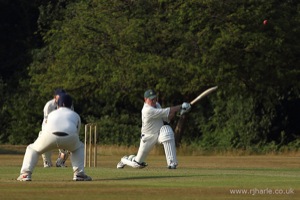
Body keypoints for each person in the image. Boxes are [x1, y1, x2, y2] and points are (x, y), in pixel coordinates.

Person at [17, 93, 92, 181]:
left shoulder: (52, 114)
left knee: (32, 149)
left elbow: (45, 127)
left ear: (60, 104)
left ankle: (25, 174)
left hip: (49, 135)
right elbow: (76, 133)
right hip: (70, 137)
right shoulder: (76, 115)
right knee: (79, 148)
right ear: (70, 104)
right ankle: (79, 174)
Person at [117, 89, 191, 169]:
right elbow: (166, 111)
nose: (153, 101)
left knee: (167, 130)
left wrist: (180, 112)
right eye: (151, 99)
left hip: (159, 133)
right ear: (145, 99)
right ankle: (124, 160)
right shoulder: (147, 110)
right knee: (138, 164)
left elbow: (166, 117)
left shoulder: (157, 105)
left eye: (155, 98)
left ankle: (172, 164)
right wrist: (181, 106)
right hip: (148, 137)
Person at [41, 89, 70, 168]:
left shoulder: (68, 104)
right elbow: (48, 120)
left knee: (68, 146)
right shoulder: (49, 105)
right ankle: (47, 163)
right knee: (46, 145)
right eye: (60, 96)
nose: (62, 97)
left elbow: (69, 118)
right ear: (55, 97)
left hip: (62, 129)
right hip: (48, 129)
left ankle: (60, 162)